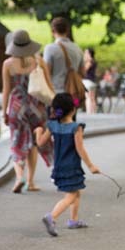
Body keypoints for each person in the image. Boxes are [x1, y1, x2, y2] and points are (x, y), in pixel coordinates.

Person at [35, 93, 100, 237]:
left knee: (76, 192)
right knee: (71, 195)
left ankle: (73, 220)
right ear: (73, 110)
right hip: (72, 167)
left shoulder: (52, 126)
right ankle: (52, 217)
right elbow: (80, 148)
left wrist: (38, 132)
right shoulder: (76, 128)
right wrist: (91, 166)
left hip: (59, 167)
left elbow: (40, 143)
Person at [1, 30, 54, 194]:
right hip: (36, 108)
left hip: (17, 108)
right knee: (34, 144)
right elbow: (49, 86)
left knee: (17, 142)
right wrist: (54, 106)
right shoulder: (39, 61)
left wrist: (4, 112)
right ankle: (30, 182)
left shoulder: (8, 64)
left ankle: (19, 178)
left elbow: (6, 90)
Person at [43, 16, 83, 93]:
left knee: (59, 105)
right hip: (75, 94)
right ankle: (76, 103)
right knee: (75, 105)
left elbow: (46, 72)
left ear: (52, 31)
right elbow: (83, 72)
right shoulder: (77, 48)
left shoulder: (50, 48)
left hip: (57, 94)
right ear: (67, 31)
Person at [82, 48, 98, 114]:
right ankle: (94, 112)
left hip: (87, 81)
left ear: (89, 53)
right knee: (92, 98)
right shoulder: (94, 61)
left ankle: (89, 112)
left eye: (86, 52)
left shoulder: (89, 61)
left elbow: (84, 70)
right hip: (92, 81)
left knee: (88, 97)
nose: (84, 54)